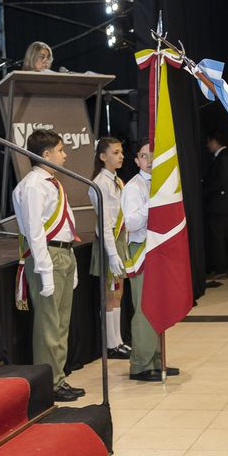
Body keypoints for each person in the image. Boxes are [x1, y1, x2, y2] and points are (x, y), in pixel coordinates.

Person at [12, 129, 85, 402]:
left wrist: (71, 260)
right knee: (48, 325)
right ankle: (49, 384)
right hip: (47, 256)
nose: (64, 155)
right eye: (60, 150)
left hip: (63, 253)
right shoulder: (34, 185)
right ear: (45, 154)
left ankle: (58, 377)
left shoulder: (52, 182)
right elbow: (34, 231)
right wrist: (44, 270)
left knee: (61, 323)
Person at [120, 140, 180, 382]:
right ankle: (140, 364)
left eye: (154, 155)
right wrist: (152, 204)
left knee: (158, 306)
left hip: (160, 249)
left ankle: (156, 359)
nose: (150, 160)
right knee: (144, 309)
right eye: (144, 156)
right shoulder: (133, 187)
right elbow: (132, 222)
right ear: (137, 160)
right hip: (142, 251)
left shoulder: (161, 184)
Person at [89, 137, 131, 360]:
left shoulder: (118, 181)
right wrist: (112, 253)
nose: (121, 156)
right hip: (109, 241)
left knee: (118, 293)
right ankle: (111, 344)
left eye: (121, 152)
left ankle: (119, 340)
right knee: (110, 293)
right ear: (103, 156)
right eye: (115, 152)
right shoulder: (100, 184)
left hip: (120, 238)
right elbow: (105, 223)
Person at [203, 129, 228, 279]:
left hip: (222, 205)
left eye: (208, 142)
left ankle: (223, 269)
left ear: (214, 141)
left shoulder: (224, 158)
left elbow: (221, 181)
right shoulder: (223, 157)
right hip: (226, 205)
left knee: (220, 238)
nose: (207, 145)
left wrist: (204, 189)